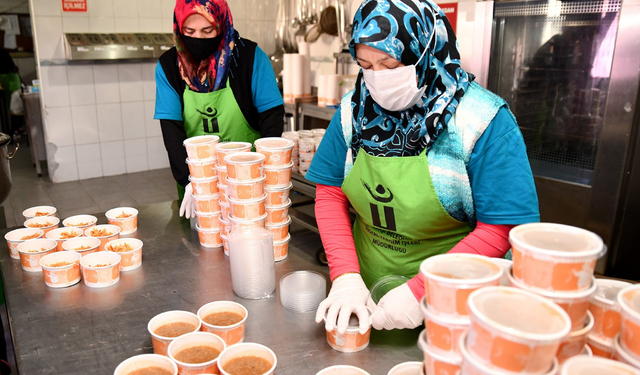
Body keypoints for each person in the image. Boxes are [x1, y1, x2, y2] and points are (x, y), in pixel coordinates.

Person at [306, 0, 540, 335]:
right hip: (367, 294)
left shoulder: (481, 120)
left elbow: (501, 228)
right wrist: (345, 277)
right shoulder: (353, 110)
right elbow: (330, 193)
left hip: (455, 300)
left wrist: (423, 289)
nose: (377, 79)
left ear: (426, 51)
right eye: (365, 65)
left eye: (389, 64)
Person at [154, 0, 284, 218]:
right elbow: (171, 129)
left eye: (208, 30)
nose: (199, 39)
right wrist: (189, 181)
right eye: (189, 31)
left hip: (248, 176)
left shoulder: (250, 57)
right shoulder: (169, 66)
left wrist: (260, 170)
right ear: (179, 29)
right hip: (197, 180)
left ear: (222, 24)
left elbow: (272, 117)